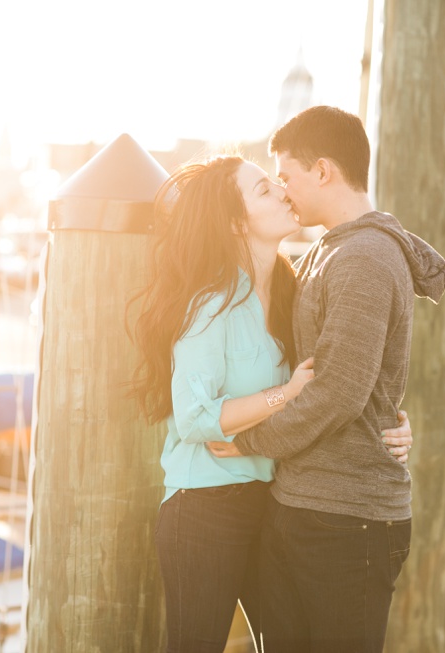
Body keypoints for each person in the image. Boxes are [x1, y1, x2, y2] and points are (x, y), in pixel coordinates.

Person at [129, 154, 414, 653]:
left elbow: (338, 384)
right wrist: (283, 394)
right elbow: (195, 418)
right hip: (204, 508)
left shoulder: (296, 289)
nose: (284, 193)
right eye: (265, 190)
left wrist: (389, 426)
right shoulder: (209, 301)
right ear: (237, 221)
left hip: (274, 503)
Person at [207, 106, 445, 652]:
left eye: (286, 177)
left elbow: (338, 392)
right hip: (308, 506)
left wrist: (248, 441)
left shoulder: (362, 257)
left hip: (348, 522)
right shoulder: (330, 250)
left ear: (322, 171)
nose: (285, 192)